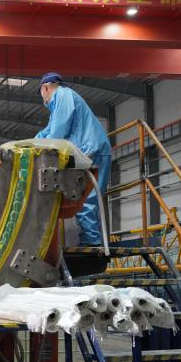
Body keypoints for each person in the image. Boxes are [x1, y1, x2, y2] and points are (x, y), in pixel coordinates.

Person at [34, 72, 112, 246]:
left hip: (91, 151)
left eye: (41, 94)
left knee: (85, 197)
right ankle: (91, 240)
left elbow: (58, 131)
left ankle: (92, 243)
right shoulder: (60, 103)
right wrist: (31, 143)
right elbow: (48, 132)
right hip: (88, 151)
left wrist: (44, 151)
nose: (43, 99)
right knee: (84, 197)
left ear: (45, 88)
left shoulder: (62, 95)